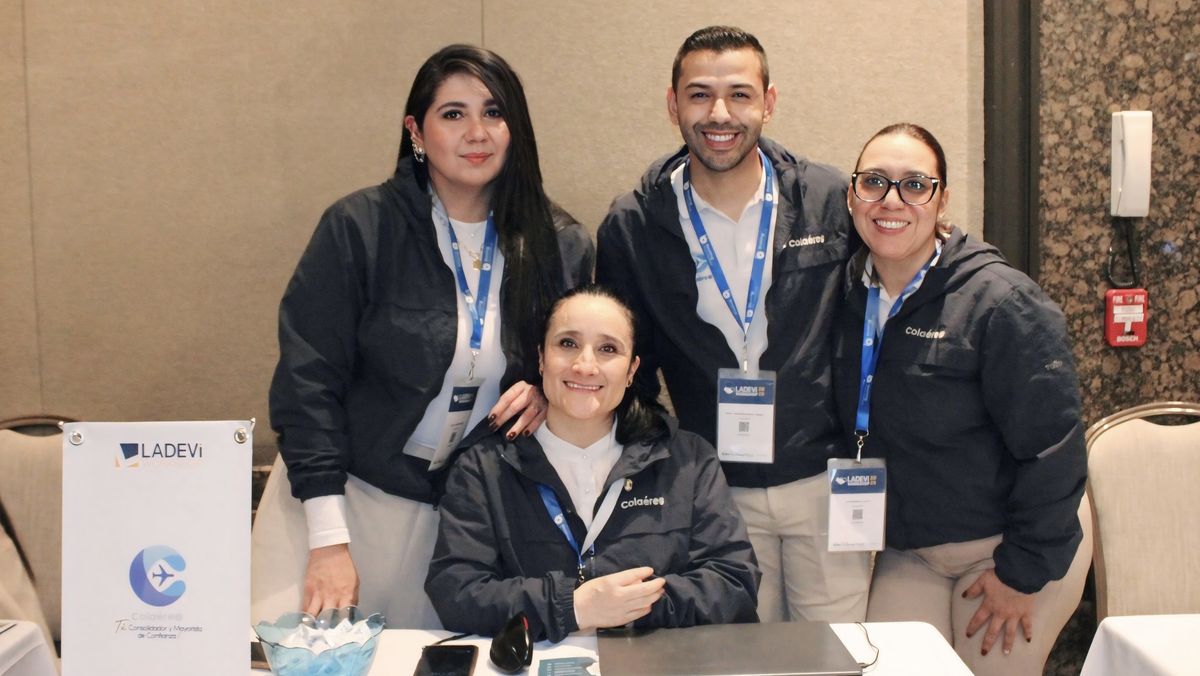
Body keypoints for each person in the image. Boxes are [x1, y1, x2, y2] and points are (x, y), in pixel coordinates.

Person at [252, 44, 593, 628]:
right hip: (338, 501)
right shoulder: (360, 228)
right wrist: (329, 541)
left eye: (493, 111)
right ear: (416, 130)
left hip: (456, 520)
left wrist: (544, 389)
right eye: (453, 114)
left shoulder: (557, 244)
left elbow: (583, 364)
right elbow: (308, 384)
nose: (476, 132)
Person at [595, 26, 867, 623]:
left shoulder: (829, 199)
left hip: (823, 481)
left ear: (769, 102)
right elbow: (625, 368)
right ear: (673, 104)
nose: (720, 114)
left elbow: (894, 282)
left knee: (838, 653)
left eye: (740, 94)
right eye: (699, 95)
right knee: (739, 656)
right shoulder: (634, 224)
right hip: (715, 491)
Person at [833, 122, 1089, 675]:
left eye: (915, 184)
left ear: (942, 198)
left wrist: (1023, 573)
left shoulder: (1002, 302)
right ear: (852, 196)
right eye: (874, 182)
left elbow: (1054, 449)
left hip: (1010, 544)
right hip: (913, 550)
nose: (892, 200)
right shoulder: (845, 294)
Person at [426, 285, 760, 642]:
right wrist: (573, 606)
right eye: (567, 343)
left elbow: (734, 581)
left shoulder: (687, 459)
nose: (585, 365)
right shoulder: (484, 467)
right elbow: (456, 591)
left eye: (608, 349)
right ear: (540, 358)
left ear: (632, 370)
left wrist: (628, 606)